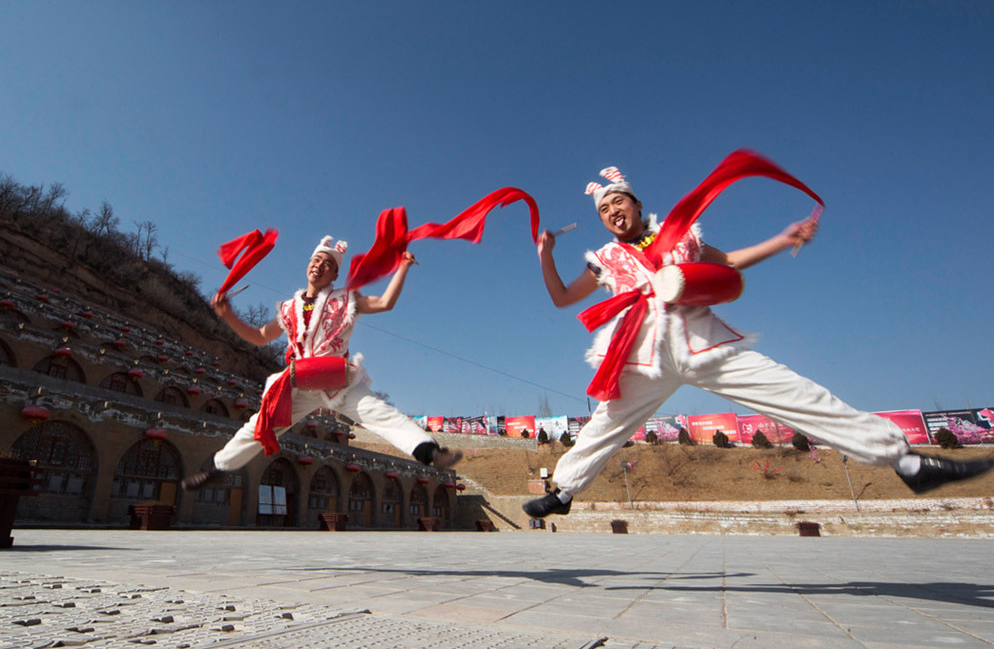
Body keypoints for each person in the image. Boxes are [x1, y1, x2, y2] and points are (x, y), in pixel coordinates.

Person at [523, 164, 993, 518]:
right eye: (604, 210)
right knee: (606, 423)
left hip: (703, 343)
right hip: (645, 357)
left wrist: (782, 239)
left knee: (794, 393)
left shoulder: (680, 235)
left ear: (637, 203)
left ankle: (905, 462)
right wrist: (546, 255)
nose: (612, 212)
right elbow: (562, 298)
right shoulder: (604, 258)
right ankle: (564, 490)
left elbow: (728, 262)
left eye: (618, 202)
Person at [182, 235, 460, 490]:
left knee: (379, 412)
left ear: (335, 275)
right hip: (298, 382)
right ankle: (217, 468)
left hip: (337, 380)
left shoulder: (347, 299)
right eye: (316, 260)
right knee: (259, 426)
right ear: (308, 265)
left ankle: (431, 452)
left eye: (328, 264)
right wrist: (229, 316)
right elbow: (260, 337)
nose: (319, 265)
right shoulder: (289, 308)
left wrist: (403, 267)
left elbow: (385, 302)